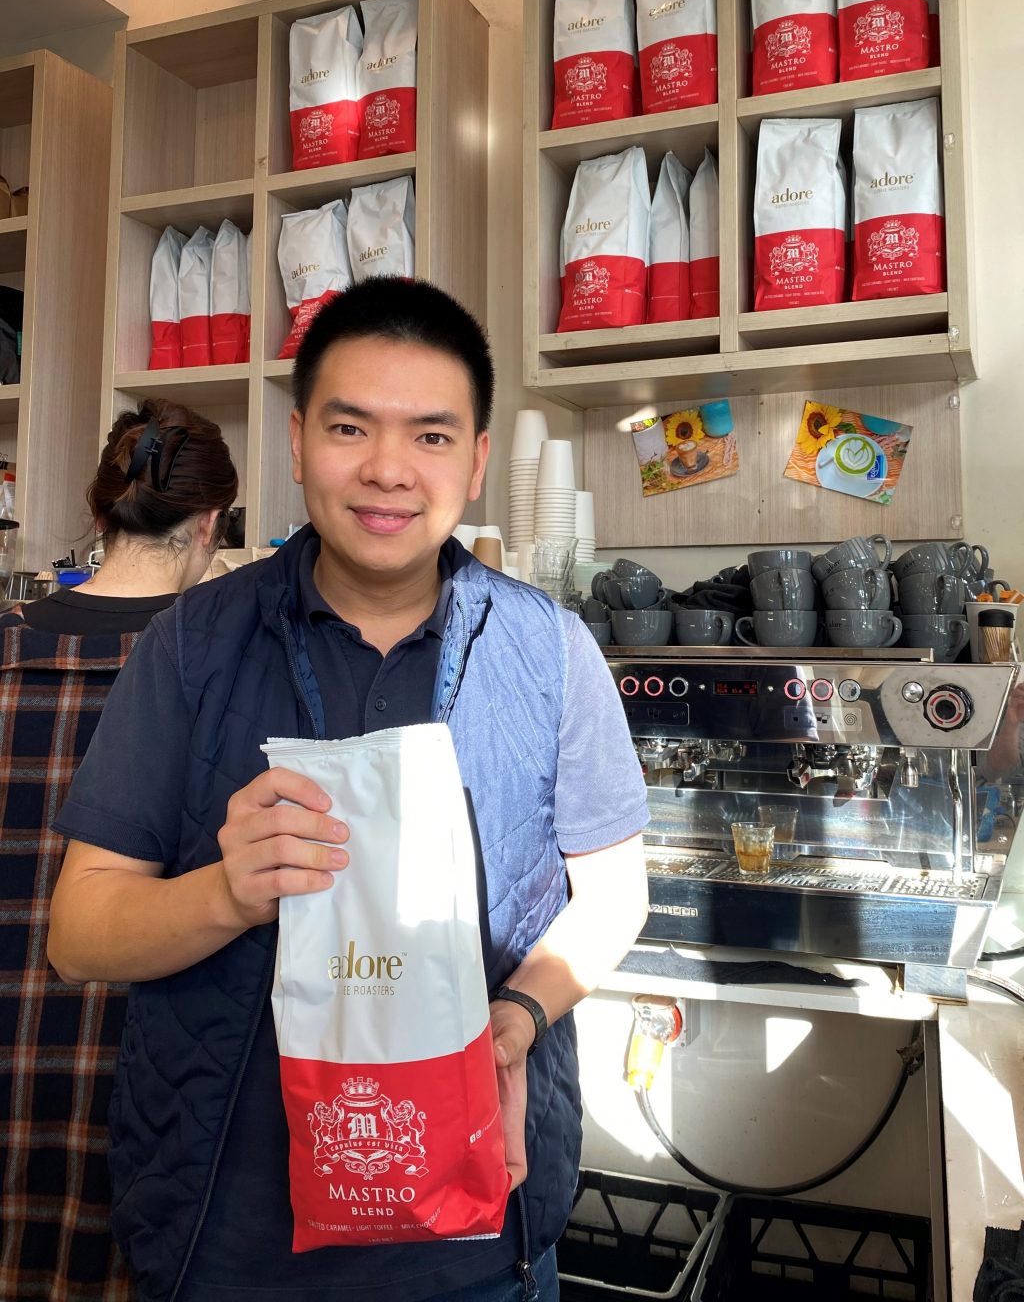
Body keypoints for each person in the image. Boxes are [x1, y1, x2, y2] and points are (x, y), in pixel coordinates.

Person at [48, 278, 650, 1302]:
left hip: (482, 1240)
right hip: (227, 1242)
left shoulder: (550, 650)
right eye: (349, 427)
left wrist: (518, 1016)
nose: (387, 469)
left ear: (477, 459)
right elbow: (78, 933)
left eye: (430, 435)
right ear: (296, 444)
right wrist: (225, 893)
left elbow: (616, 895)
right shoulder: (190, 645)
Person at [0, 400, 238, 1302]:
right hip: (153, 1071)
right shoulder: (225, 670)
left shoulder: (8, 645)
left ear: (101, 513)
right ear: (211, 524)